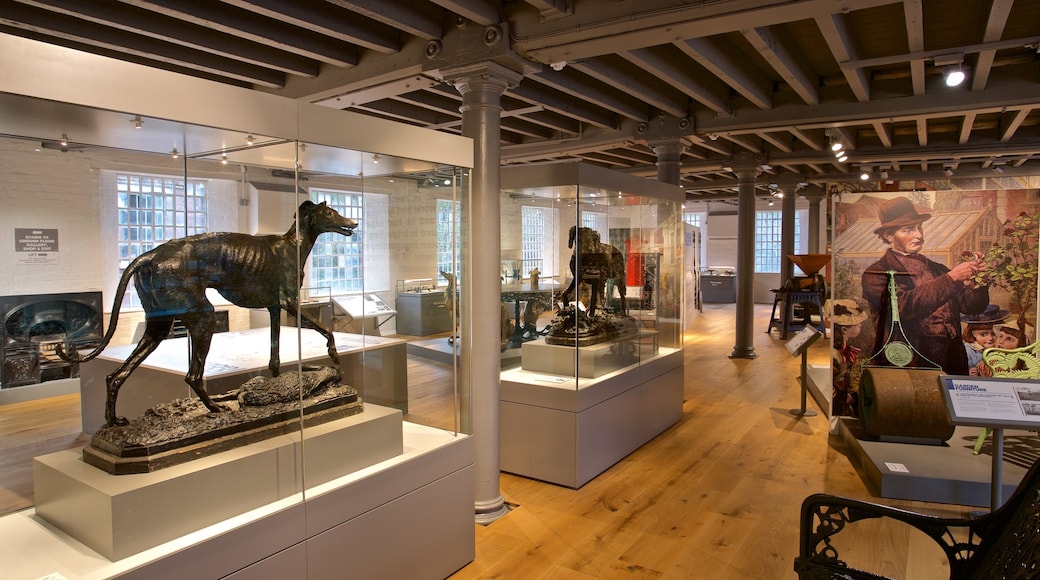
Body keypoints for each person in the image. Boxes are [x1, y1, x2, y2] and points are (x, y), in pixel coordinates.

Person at [861, 196, 990, 375]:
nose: (919, 235)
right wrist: (952, 278)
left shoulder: (937, 269)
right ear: (888, 235)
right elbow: (902, 306)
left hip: (952, 361)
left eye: (919, 227)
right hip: (911, 363)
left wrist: (976, 283)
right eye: (908, 230)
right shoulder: (876, 273)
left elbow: (971, 307)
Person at [827, 299, 868, 416]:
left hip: (842, 394)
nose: (860, 325)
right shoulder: (835, 355)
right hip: (837, 398)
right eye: (857, 323)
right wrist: (841, 397)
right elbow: (833, 381)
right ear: (844, 330)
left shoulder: (844, 350)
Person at [962, 305, 1009, 375]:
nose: (990, 338)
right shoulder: (967, 350)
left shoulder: (999, 349)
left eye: (994, 334)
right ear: (973, 334)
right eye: (983, 335)